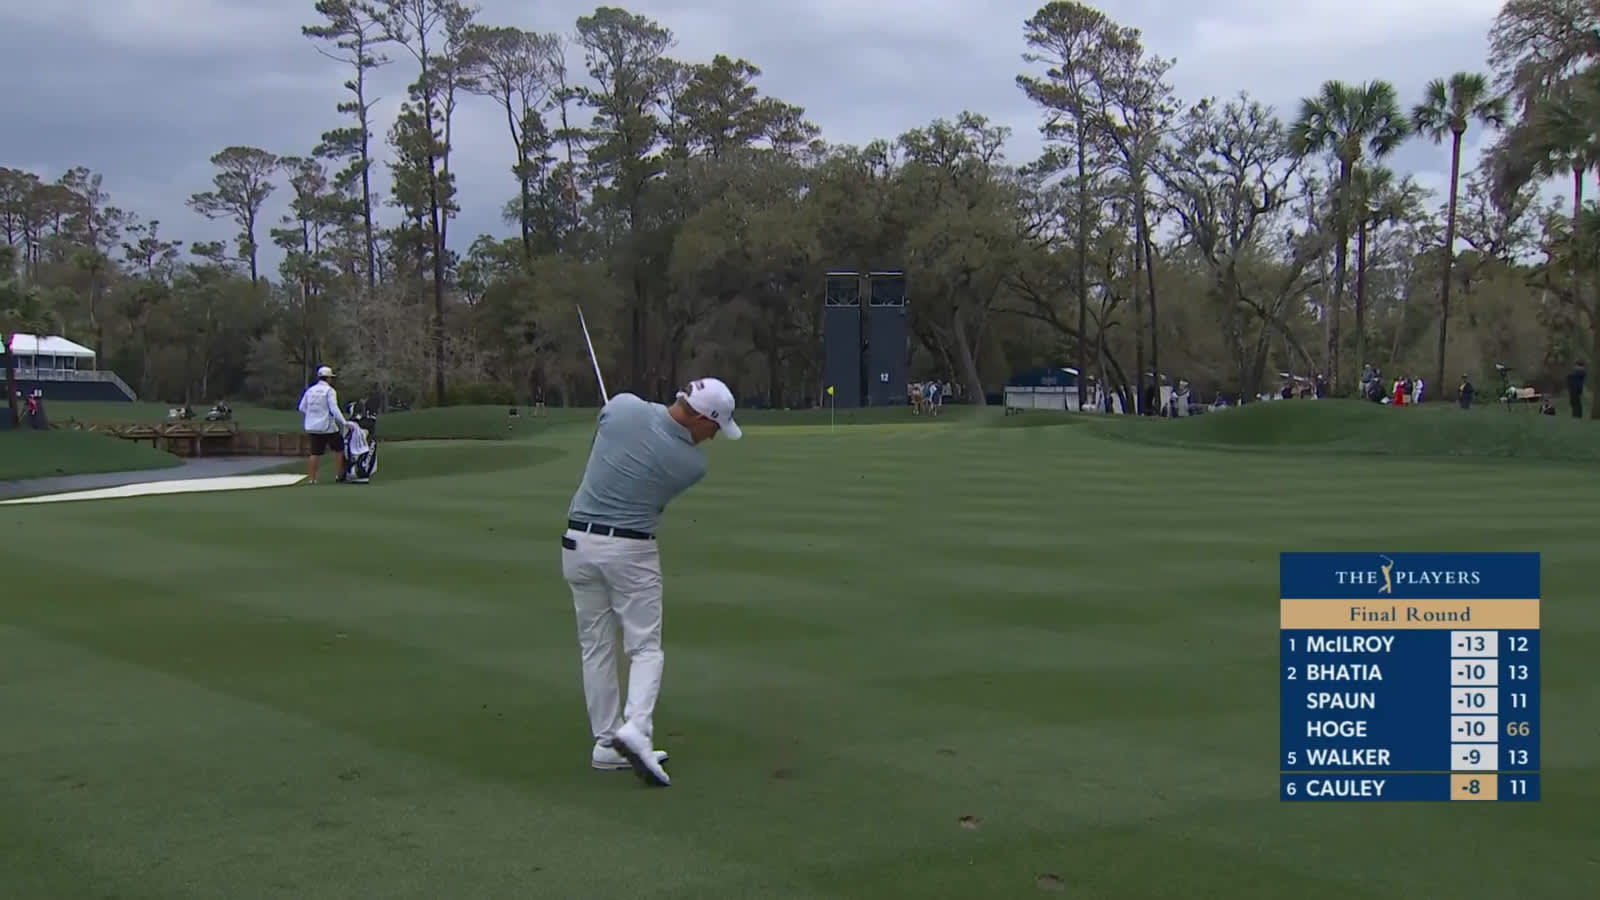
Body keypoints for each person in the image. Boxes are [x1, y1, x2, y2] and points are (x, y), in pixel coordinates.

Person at [560, 377, 743, 787]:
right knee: (645, 647)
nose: (711, 438)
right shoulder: (691, 465)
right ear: (699, 417)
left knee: (596, 647)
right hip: (629, 551)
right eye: (713, 428)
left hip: (576, 545)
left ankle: (606, 744)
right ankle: (635, 729)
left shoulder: (623, 406)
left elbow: (608, 425)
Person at [297, 365, 350, 484]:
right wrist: (344, 422)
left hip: (312, 427)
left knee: (314, 453)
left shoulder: (310, 390)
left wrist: (313, 415)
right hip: (327, 427)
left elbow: (302, 407)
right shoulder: (329, 391)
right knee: (339, 449)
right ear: (329, 378)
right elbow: (334, 409)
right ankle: (339, 475)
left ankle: (312, 479)